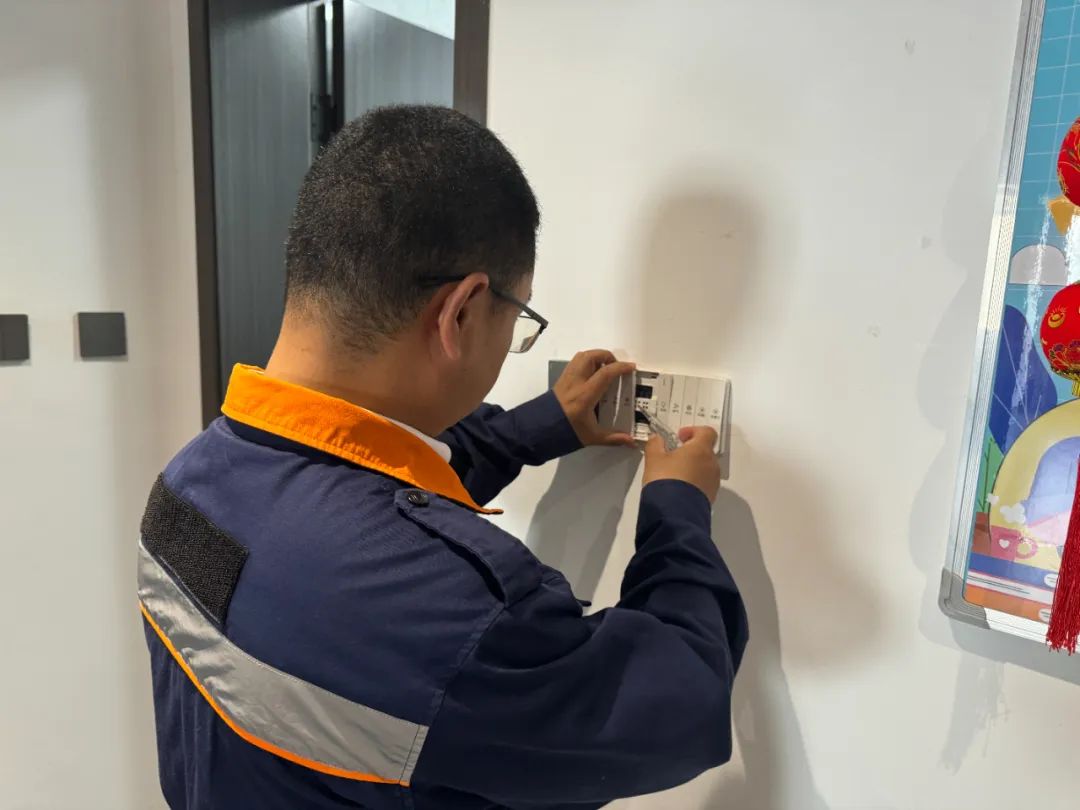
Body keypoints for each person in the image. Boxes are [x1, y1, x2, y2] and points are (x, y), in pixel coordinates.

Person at [138, 105, 748, 810]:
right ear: (461, 312)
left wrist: (537, 428)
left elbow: (359, 488)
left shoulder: (186, 488)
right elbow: (681, 703)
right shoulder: (456, 624)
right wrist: (677, 508)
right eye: (519, 318)